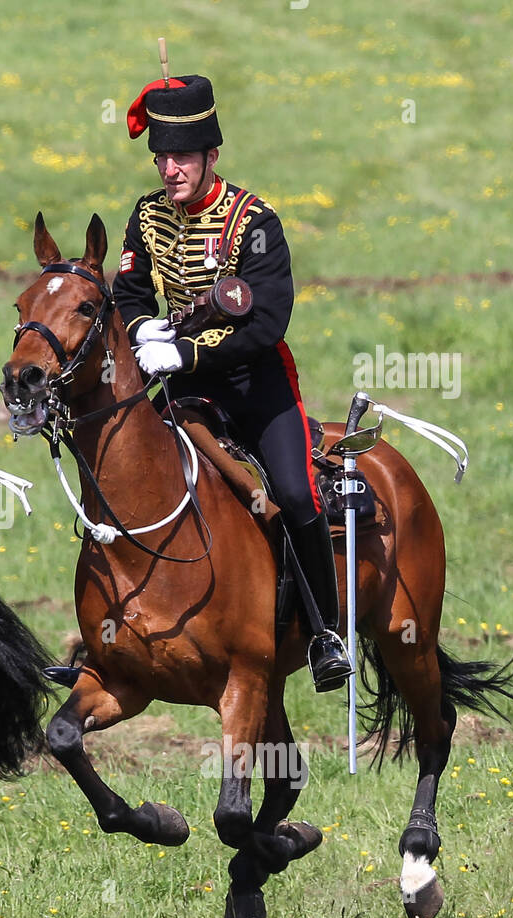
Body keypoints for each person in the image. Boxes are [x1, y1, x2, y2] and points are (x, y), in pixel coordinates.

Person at [113, 72, 351, 692]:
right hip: (184, 390)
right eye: (161, 157)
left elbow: (268, 320)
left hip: (255, 384)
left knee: (297, 496)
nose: (170, 169)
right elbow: (130, 292)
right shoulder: (146, 218)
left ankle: (325, 632)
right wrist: (142, 333)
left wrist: (185, 354)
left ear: (211, 155)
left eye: (182, 156)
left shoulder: (254, 220)